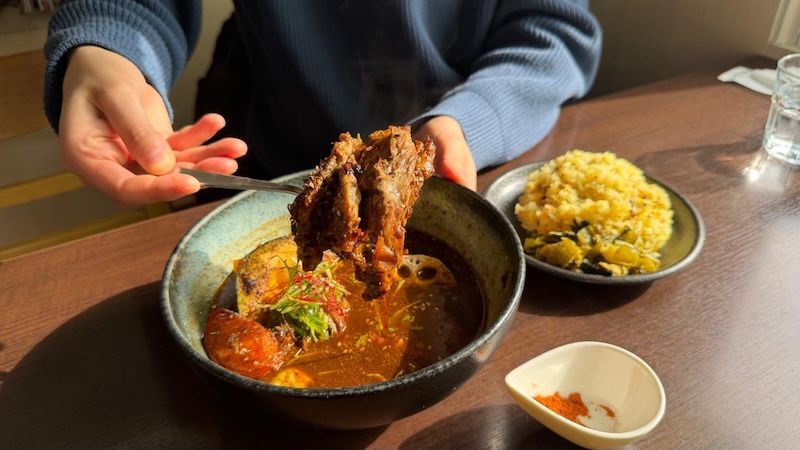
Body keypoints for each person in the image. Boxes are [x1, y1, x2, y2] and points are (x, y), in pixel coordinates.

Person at [44, 0, 601, 205]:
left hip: (469, 162)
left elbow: (551, 31)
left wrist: (468, 121)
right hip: (262, 163)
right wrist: (111, 47)